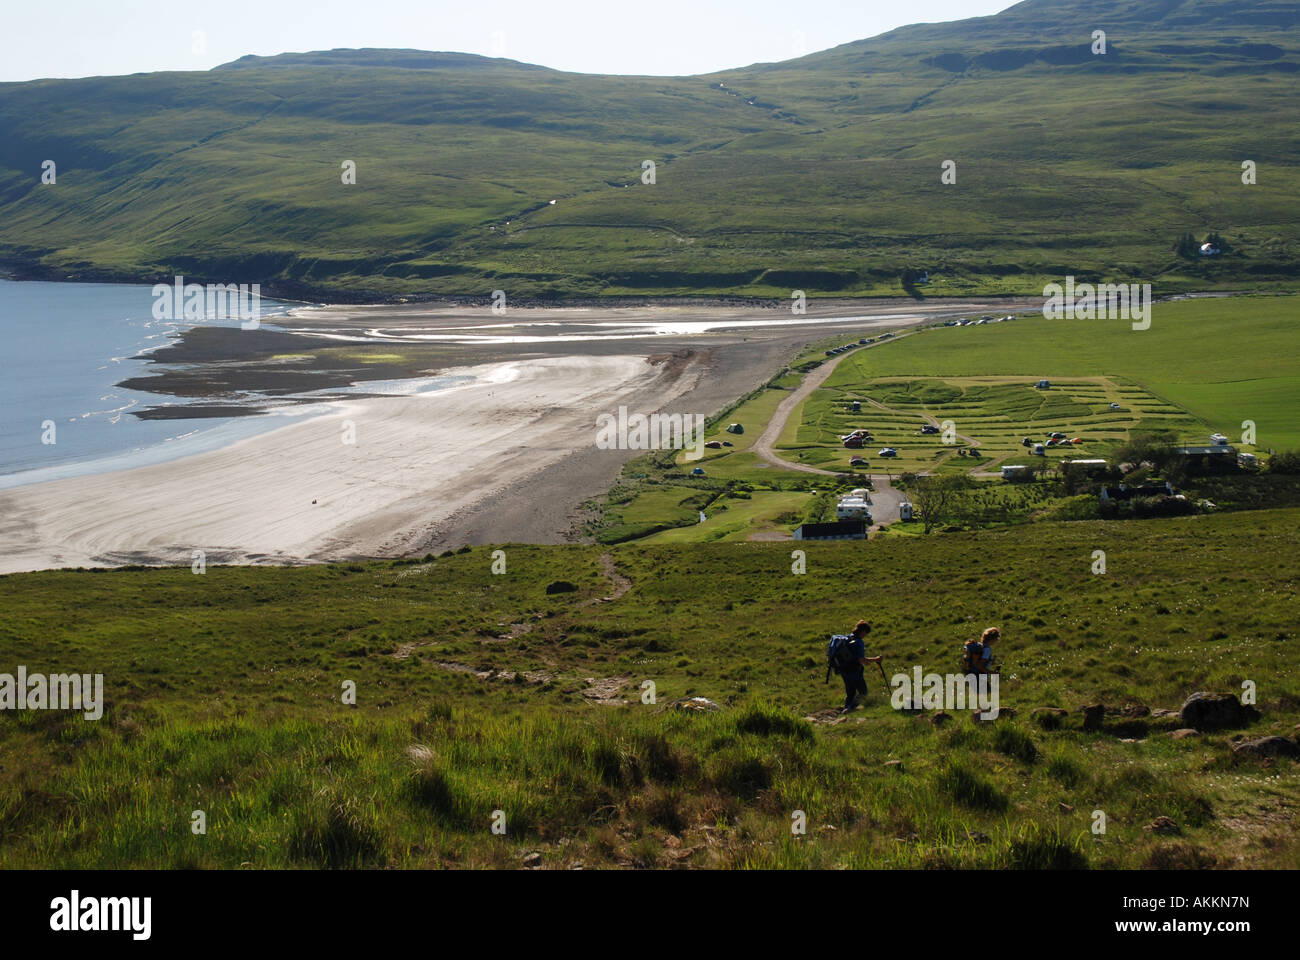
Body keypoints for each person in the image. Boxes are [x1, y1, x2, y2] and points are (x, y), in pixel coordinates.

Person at [840, 620, 883, 712]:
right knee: (863, 692)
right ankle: (850, 709)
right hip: (854, 671)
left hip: (843, 670)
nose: (866, 635)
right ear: (863, 631)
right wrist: (876, 659)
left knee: (850, 692)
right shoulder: (859, 642)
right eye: (866, 633)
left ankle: (846, 708)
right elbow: (861, 660)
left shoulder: (849, 637)